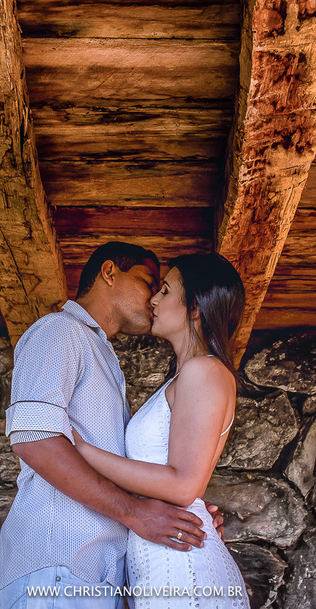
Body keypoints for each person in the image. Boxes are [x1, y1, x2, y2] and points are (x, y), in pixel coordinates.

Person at [0, 242, 226, 609]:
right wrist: (136, 512)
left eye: (162, 289)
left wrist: (178, 512)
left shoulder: (102, 356)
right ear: (109, 273)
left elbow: (119, 469)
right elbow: (35, 441)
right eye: (150, 281)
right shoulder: (59, 331)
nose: (154, 297)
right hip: (60, 566)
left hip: (98, 578)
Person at [71, 252, 249, 608]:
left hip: (183, 565)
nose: (153, 299)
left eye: (165, 291)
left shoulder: (204, 371)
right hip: (165, 556)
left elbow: (184, 485)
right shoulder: (188, 376)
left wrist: (82, 451)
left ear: (196, 308)